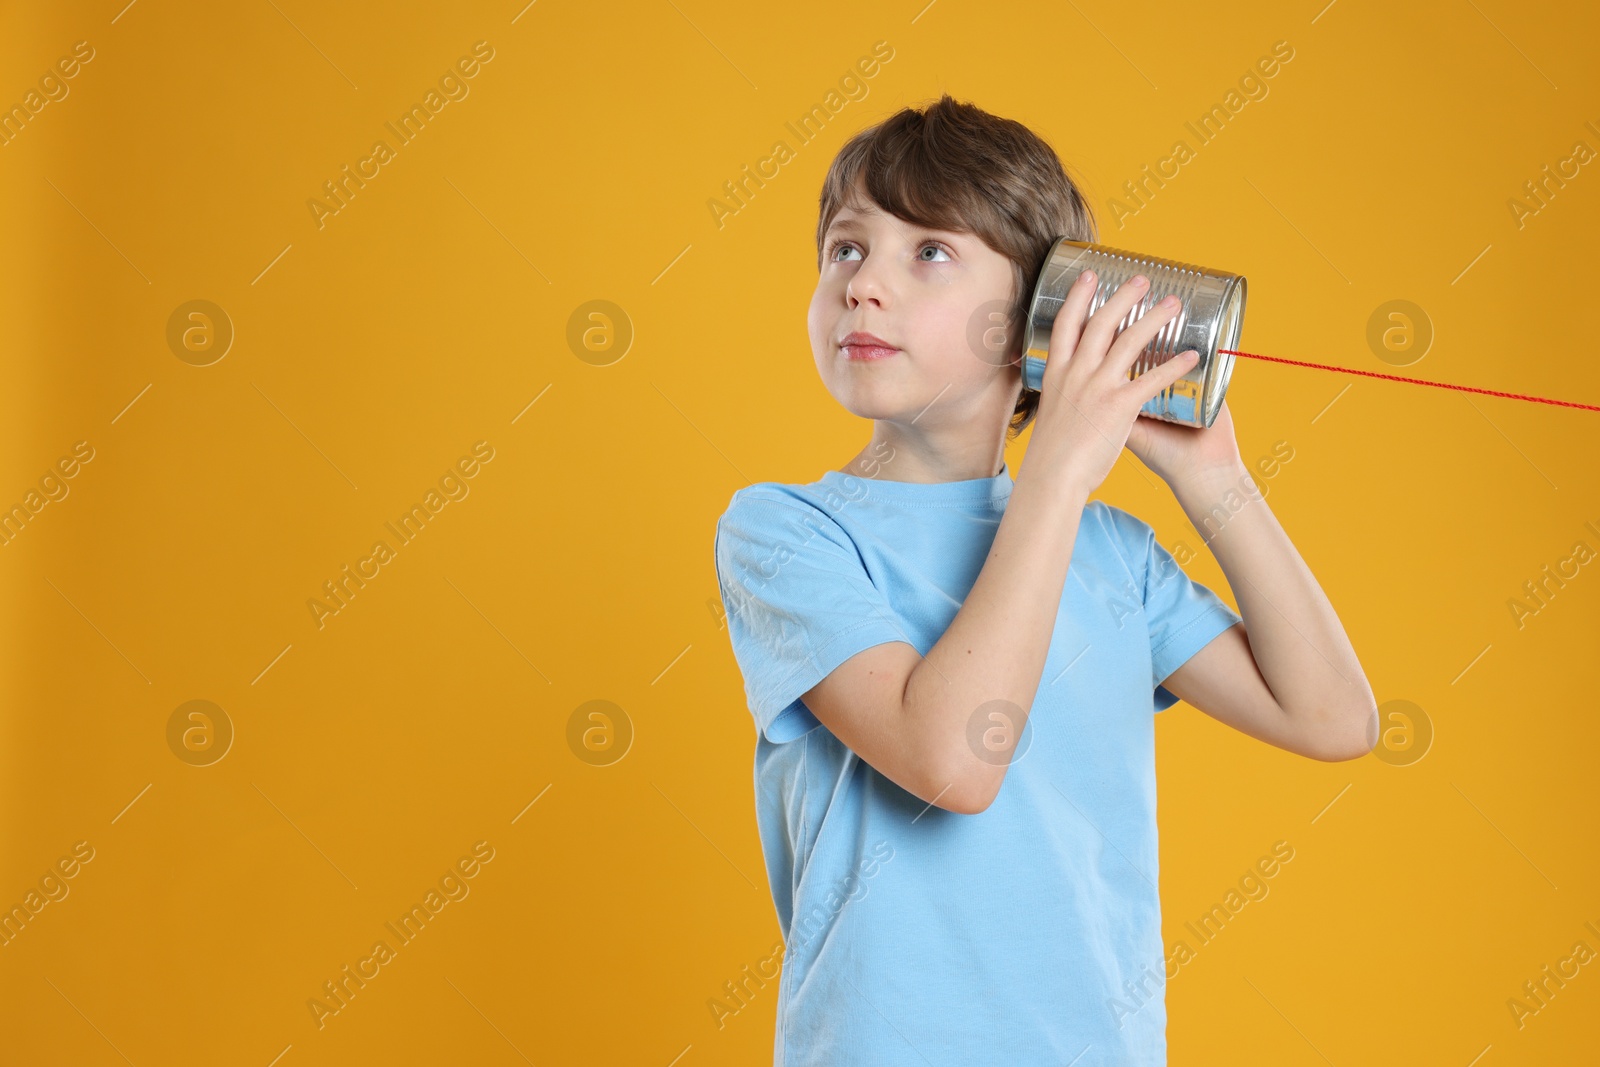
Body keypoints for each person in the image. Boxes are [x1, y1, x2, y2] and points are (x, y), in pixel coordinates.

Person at [712, 93, 1377, 1066]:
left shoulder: (1111, 553)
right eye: (846, 248)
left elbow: (1333, 719)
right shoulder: (786, 532)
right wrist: (1059, 466)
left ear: (1041, 316)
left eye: (928, 251)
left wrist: (1213, 479)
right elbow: (951, 762)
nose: (862, 285)